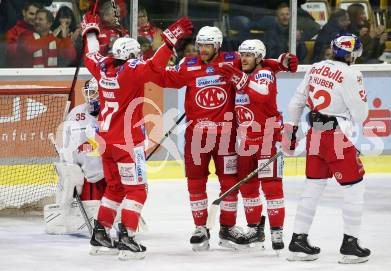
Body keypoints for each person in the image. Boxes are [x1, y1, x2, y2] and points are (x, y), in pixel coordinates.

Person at [156, 26, 298, 251]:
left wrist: (279, 63)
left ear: (218, 45)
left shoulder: (232, 60)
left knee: (230, 184)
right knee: (195, 183)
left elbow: (257, 63)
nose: (202, 49)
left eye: (207, 45)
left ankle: (227, 228)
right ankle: (200, 228)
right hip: (196, 137)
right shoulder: (187, 64)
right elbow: (162, 77)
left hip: (226, 136)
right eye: (200, 45)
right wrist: (165, 45)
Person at [81, 12, 193, 260]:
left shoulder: (102, 67)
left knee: (115, 188)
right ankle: (126, 237)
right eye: (137, 55)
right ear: (130, 56)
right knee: (137, 190)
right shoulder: (132, 70)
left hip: (105, 141)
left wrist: (90, 30)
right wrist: (170, 38)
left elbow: (91, 53)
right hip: (127, 144)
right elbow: (154, 65)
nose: (140, 58)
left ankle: (100, 235)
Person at [285, 34, 370, 264]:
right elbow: (361, 115)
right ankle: (350, 246)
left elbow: (296, 102)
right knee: (354, 187)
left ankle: (298, 242)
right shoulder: (352, 73)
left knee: (312, 186)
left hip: (315, 134)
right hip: (337, 137)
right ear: (352, 54)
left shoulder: (316, 67)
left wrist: (290, 134)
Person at [219, 39, 285, 252]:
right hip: (245, 142)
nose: (244, 58)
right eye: (242, 54)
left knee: (272, 188)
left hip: (266, 141)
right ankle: (254, 229)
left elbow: (261, 95)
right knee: (248, 188)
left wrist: (240, 78)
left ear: (259, 58)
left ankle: (277, 232)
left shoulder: (263, 73)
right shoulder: (242, 76)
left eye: (249, 54)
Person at [44, 78, 107, 235]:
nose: (91, 97)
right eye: (88, 93)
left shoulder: (110, 112)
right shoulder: (76, 113)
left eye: (94, 93)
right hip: (81, 165)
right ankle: (64, 213)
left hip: (104, 166)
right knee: (66, 173)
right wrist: (61, 148)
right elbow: (66, 142)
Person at [5, 1, 41, 67]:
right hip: (21, 73)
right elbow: (11, 54)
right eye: (31, 14)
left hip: (41, 73)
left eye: (37, 15)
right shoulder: (13, 32)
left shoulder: (41, 30)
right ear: (24, 13)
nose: (34, 17)